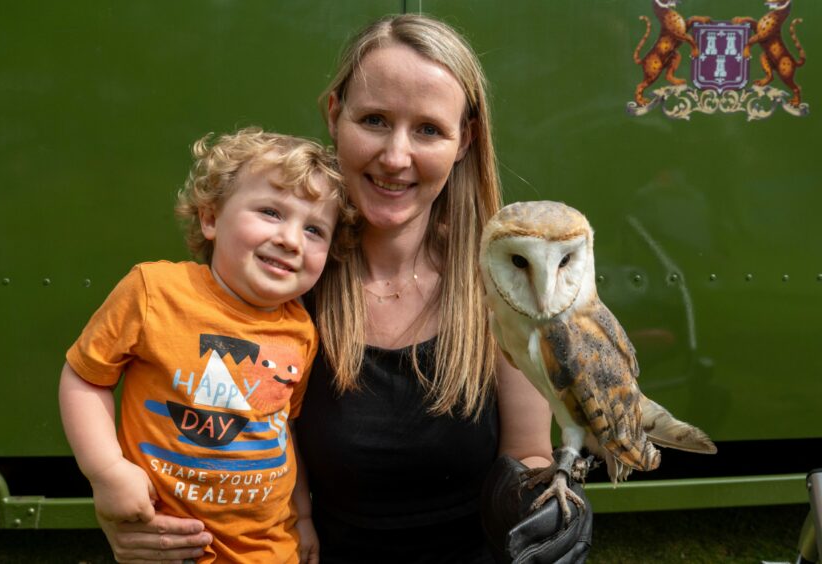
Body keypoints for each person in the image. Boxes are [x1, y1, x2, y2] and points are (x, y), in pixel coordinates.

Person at [95, 14, 592, 564]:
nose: (397, 156)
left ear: (464, 141)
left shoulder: (505, 283)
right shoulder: (279, 275)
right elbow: (187, 425)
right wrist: (134, 517)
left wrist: (547, 507)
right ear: (335, 115)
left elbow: (525, 455)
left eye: (428, 129)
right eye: (375, 119)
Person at [59, 127, 353, 563]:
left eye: (314, 230)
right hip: (172, 542)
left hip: (269, 548)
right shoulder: (153, 291)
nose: (291, 239)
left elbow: (282, 430)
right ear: (211, 217)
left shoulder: (301, 330)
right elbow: (85, 377)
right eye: (271, 212)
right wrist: (106, 471)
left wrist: (303, 515)